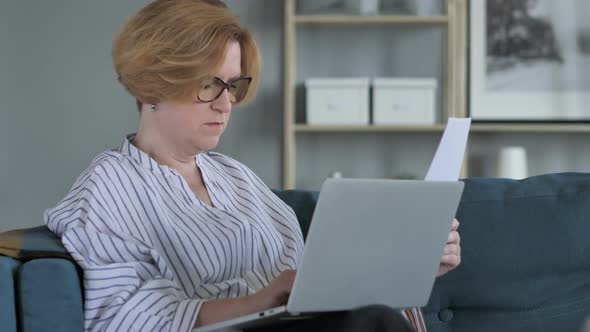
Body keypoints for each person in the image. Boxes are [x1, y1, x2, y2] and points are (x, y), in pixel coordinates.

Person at [44, 1, 461, 331]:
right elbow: (119, 319)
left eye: (234, 85)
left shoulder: (236, 178)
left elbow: (317, 292)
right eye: (209, 84)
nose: (226, 104)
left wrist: (408, 267)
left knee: (370, 319)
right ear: (153, 84)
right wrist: (259, 300)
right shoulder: (107, 187)